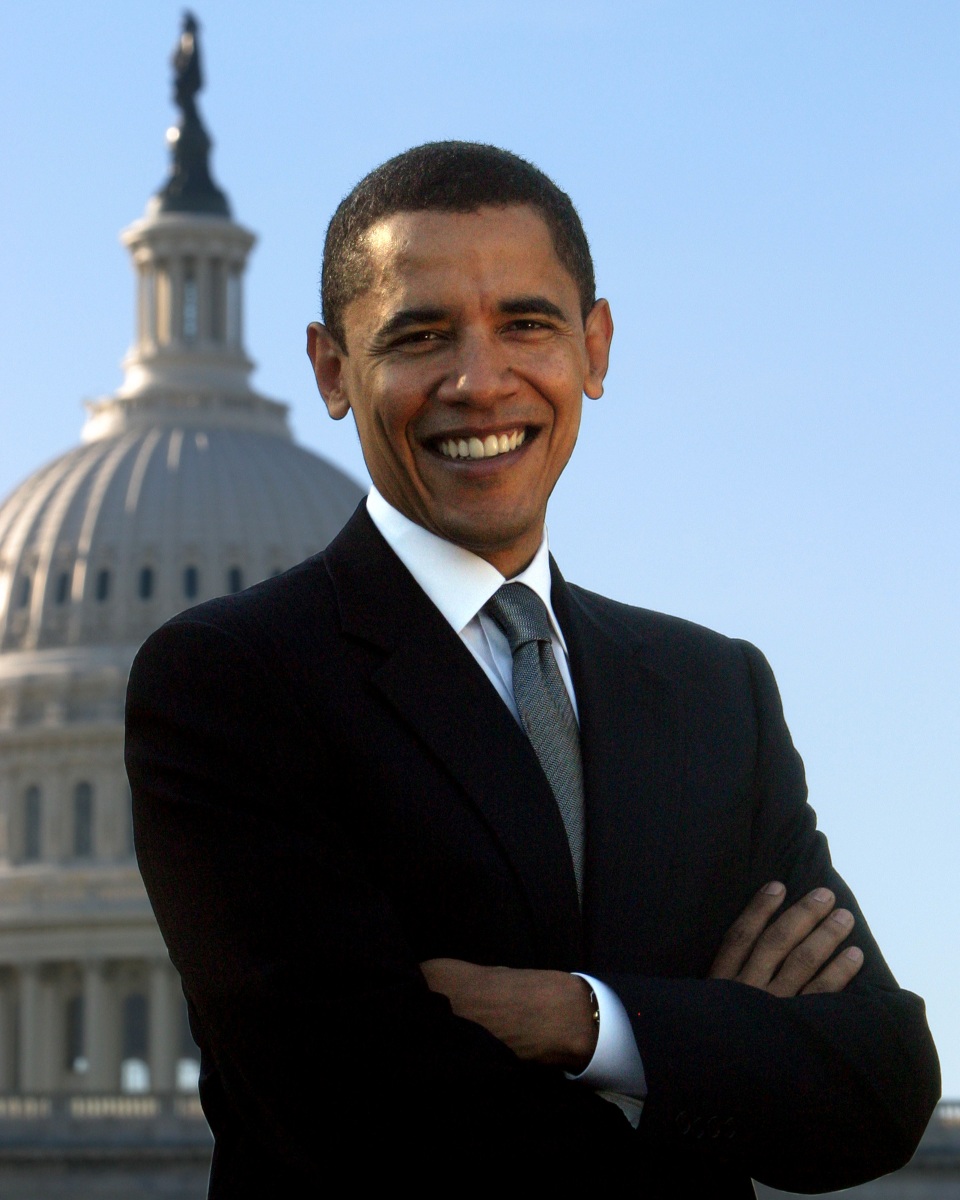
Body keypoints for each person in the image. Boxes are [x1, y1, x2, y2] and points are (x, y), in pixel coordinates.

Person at [126, 142, 939, 1197]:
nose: (480, 381)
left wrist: (584, 1024)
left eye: (528, 323)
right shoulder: (231, 680)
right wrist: (712, 1055)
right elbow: (356, 1121)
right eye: (421, 336)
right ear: (333, 369)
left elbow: (881, 1084)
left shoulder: (712, 690)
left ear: (595, 349)